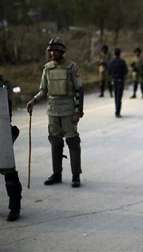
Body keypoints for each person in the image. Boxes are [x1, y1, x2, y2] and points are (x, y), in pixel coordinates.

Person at [26, 37, 84, 188]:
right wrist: (34, 100)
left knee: (72, 142)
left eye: (55, 50)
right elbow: (43, 90)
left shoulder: (71, 67)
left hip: (68, 110)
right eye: (50, 50)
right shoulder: (47, 68)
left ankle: (75, 175)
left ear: (62, 51)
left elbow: (79, 90)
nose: (52, 53)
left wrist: (78, 111)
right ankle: (56, 174)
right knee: (55, 142)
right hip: (53, 110)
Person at [0, 78, 22, 221]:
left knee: (9, 172)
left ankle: (15, 207)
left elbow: (5, 108)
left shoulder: (1, 84)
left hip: (2, 132)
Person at [108, 48, 128, 117]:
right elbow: (126, 71)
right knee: (119, 97)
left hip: (114, 81)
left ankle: (116, 110)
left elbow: (109, 71)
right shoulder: (122, 61)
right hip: (120, 80)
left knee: (116, 96)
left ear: (114, 53)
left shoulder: (111, 62)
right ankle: (117, 112)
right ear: (120, 53)